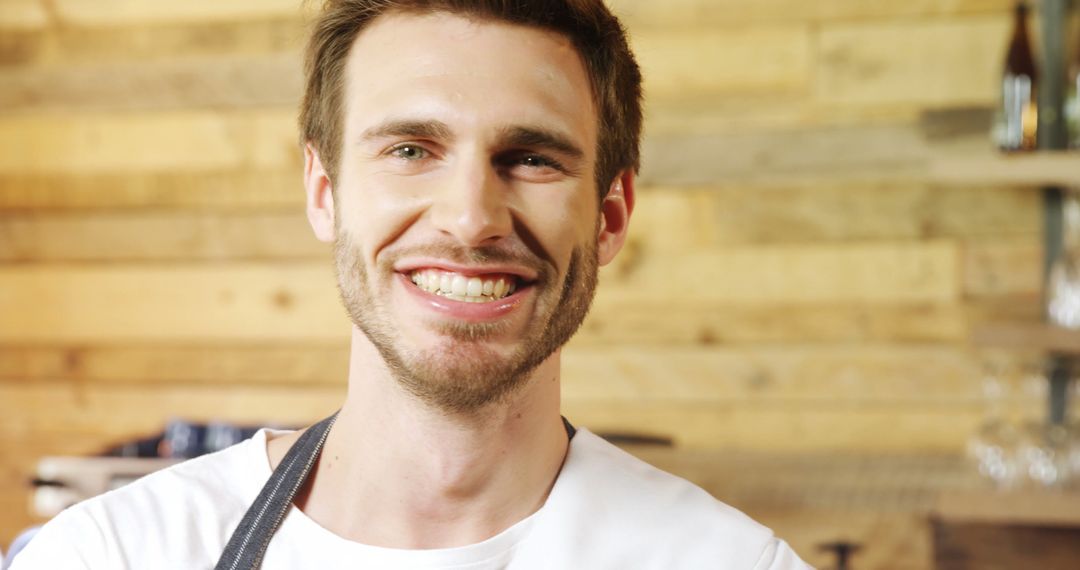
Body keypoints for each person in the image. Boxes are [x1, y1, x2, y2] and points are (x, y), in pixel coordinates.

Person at [13, 1, 809, 568]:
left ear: (609, 215)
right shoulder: (111, 554)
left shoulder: (733, 561)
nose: (469, 219)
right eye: (409, 150)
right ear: (324, 191)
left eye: (531, 157)